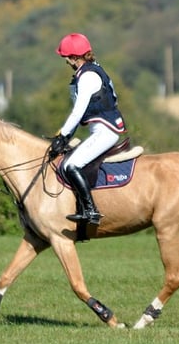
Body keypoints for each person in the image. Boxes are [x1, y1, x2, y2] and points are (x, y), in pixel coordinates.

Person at [49, 33, 127, 225]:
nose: (66, 61)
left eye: (67, 58)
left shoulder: (88, 76)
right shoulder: (90, 71)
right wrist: (65, 137)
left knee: (70, 165)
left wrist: (62, 135)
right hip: (101, 129)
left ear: (75, 57)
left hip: (105, 131)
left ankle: (90, 211)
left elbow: (78, 112)